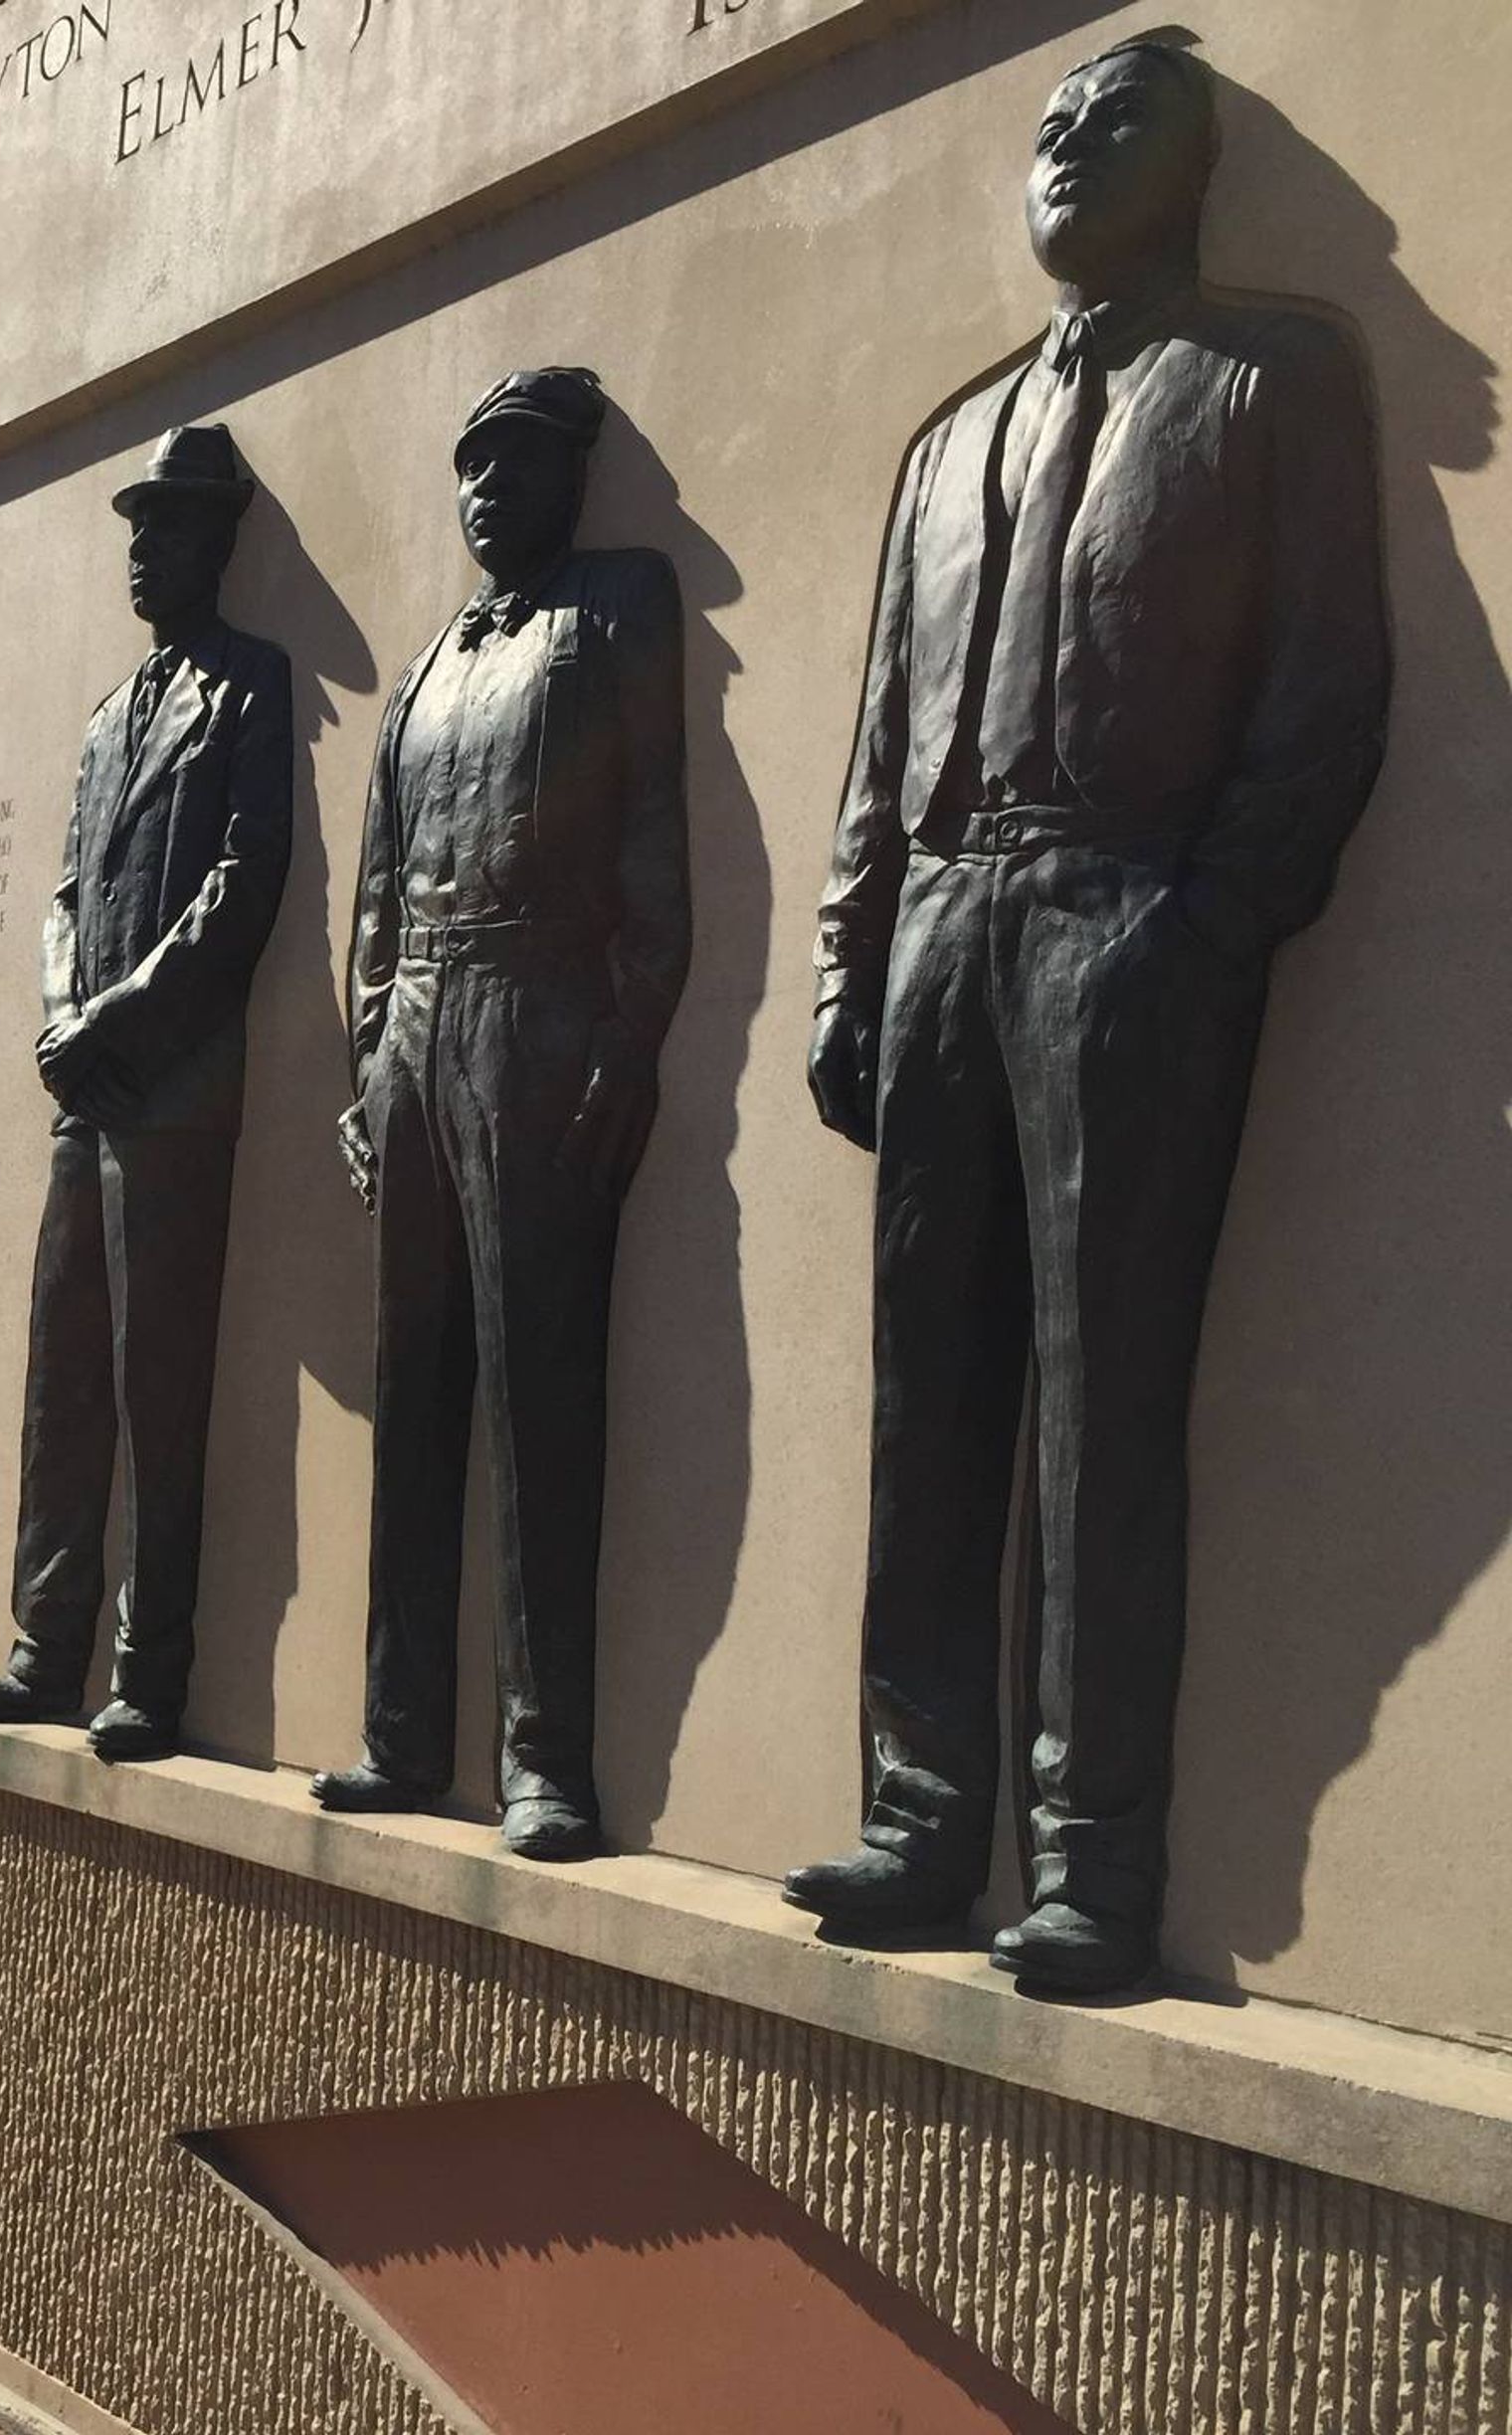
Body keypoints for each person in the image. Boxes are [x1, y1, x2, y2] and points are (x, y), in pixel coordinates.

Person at [789, 37, 1390, 1993]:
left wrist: (1207, 926)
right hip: (945, 933)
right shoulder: (941, 442)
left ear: (1194, 161)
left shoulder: (1275, 380)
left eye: (1108, 119)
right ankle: (916, 1812)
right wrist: (845, 969)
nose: (1061, 148)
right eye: (1044, 128)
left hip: (1123, 909)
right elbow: (879, 747)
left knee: (1104, 1404)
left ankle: (1089, 1859)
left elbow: (1324, 685)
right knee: (927, 1402)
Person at [314, 367, 688, 1857]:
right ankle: (402, 1733)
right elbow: (376, 895)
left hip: (539, 1017)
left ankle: (544, 1758)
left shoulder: (619, 605)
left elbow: (654, 831)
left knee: (541, 1391)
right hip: (415, 1035)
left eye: (515, 463)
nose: (487, 489)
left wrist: (629, 1033)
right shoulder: (423, 668)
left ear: (569, 478)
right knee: (413, 1389)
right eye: (469, 466)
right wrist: (363, 1077)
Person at [0, 424, 293, 1763]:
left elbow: (243, 884)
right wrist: (57, 1011)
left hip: (174, 1091)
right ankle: (46, 1645)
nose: (144, 555)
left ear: (216, 541)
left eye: (168, 530)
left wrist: (116, 1015)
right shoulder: (107, 721)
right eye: (136, 533)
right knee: (65, 1379)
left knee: (162, 1392)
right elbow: (66, 894)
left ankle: (150, 1670)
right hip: (84, 1091)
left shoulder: (251, 689)